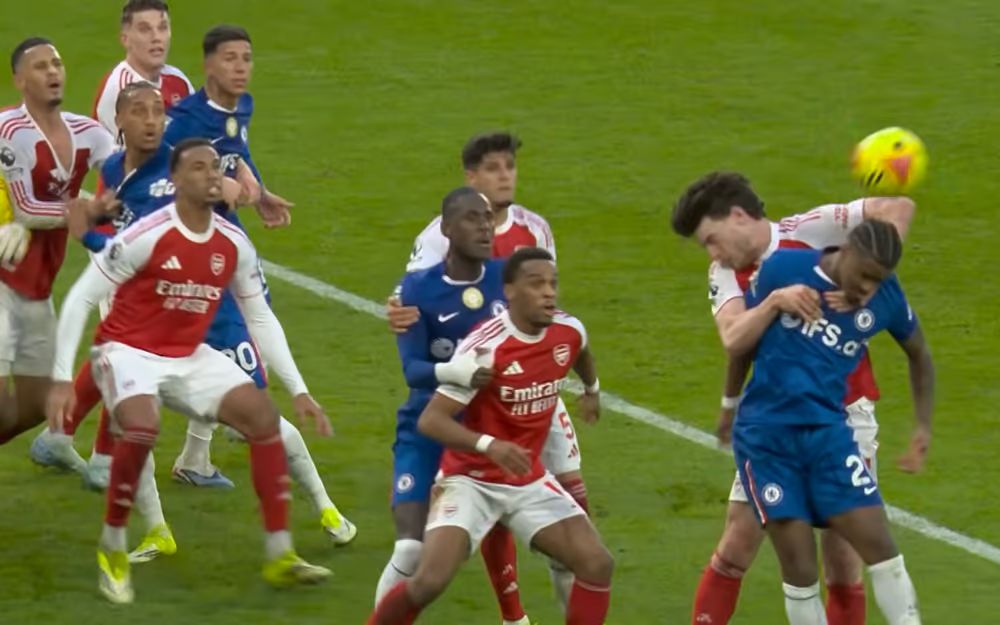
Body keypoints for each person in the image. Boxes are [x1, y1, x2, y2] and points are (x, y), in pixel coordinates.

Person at [63, 84, 355, 557]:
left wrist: (251, 190)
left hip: (213, 316)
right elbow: (123, 244)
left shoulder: (203, 193)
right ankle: (158, 522)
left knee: (261, 418)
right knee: (136, 421)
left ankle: (325, 508)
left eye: (158, 111)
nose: (152, 120)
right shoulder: (120, 173)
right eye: (140, 111)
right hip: (152, 323)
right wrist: (94, 231)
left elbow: (235, 188)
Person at [670, 171, 925, 625]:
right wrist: (773, 302)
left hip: (845, 417)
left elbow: (897, 208)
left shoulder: (810, 229)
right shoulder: (724, 274)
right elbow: (734, 338)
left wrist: (870, 279)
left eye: (711, 240)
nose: (713, 253)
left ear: (738, 216)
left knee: (844, 561)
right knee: (738, 543)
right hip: (776, 422)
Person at [389, 133, 586, 618]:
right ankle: (513, 613)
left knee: (576, 504)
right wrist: (399, 310)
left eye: (509, 166)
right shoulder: (437, 236)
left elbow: (549, 306)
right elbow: (413, 295)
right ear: (471, 177)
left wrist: (574, 371)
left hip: (532, 387)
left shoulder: (535, 229)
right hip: (470, 396)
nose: (505, 176)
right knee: (487, 500)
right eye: (493, 168)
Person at [368, 247, 612, 625]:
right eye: (536, 284)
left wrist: (592, 390)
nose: (549, 292)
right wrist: (489, 445)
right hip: (471, 480)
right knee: (429, 580)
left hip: (527, 479)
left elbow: (580, 352)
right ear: (510, 291)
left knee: (597, 564)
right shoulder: (485, 348)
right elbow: (432, 420)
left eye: (553, 284)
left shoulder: (568, 330)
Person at [732, 219, 932, 625]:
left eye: (878, 281)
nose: (868, 289)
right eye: (865, 276)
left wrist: (922, 427)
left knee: (881, 547)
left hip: (829, 436)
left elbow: (920, 353)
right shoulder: (784, 269)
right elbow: (742, 343)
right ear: (847, 250)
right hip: (767, 439)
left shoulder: (885, 297)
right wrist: (727, 402)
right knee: (800, 569)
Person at [377, 187, 540, 624]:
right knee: (410, 550)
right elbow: (412, 370)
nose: (485, 227)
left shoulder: (508, 279)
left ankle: (514, 618)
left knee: (519, 527)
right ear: (447, 229)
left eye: (487, 218)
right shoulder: (418, 288)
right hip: (426, 430)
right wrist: (458, 372)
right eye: (472, 218)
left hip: (486, 430)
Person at [157, 24, 296, 486]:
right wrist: (220, 187)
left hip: (227, 236)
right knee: (231, 338)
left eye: (246, 58)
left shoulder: (241, 106)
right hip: (191, 246)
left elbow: (237, 153)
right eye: (230, 58)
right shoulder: (185, 121)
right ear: (208, 65)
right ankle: (254, 417)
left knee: (255, 322)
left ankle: (195, 459)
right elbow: (161, 182)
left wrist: (260, 192)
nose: (240, 68)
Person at [0, 37, 115, 453]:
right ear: (19, 80)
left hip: (38, 288)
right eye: (40, 66)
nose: (52, 72)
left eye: (57, 63)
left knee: (36, 407)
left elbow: (126, 177)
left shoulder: (89, 133)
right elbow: (27, 208)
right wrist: (90, 209)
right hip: (2, 281)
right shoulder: (9, 130)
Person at [92, 0, 194, 139]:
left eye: (162, 28)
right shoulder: (121, 90)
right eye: (145, 29)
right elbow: (131, 152)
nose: (156, 37)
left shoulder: (178, 79)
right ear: (125, 40)